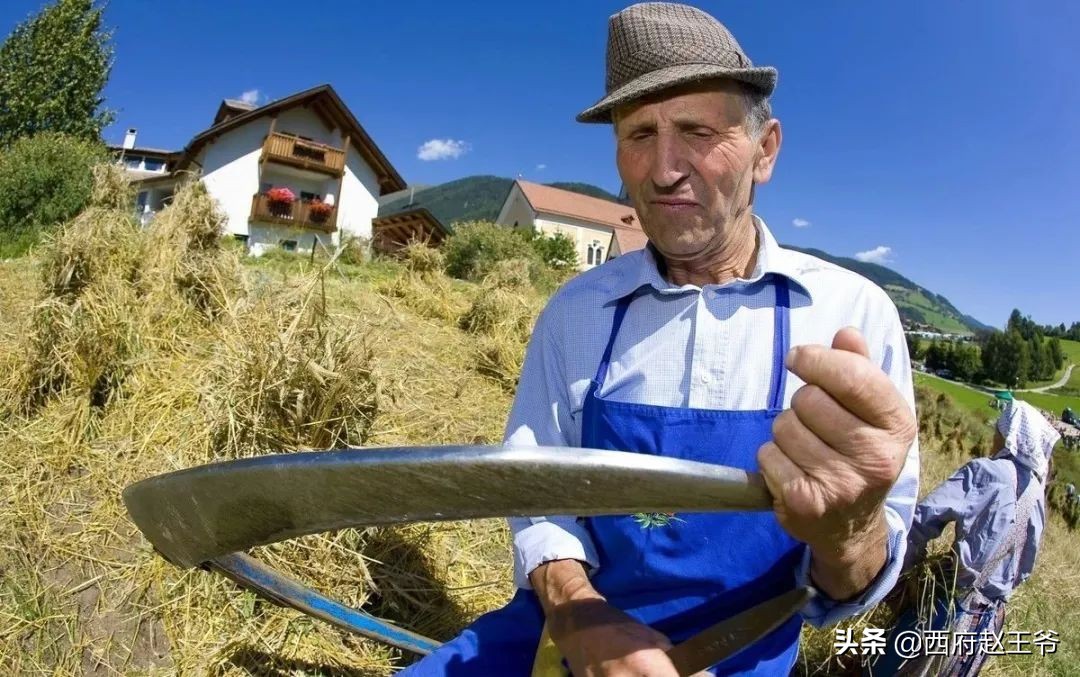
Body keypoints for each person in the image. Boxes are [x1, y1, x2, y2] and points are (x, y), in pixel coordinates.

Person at [402, 3, 920, 675]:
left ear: (765, 151)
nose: (662, 168)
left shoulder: (851, 317)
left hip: (744, 654)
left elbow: (853, 585)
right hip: (558, 635)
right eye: (639, 133)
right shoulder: (576, 313)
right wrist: (577, 609)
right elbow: (536, 494)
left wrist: (848, 532)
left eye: (696, 130)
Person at [873, 400, 1060, 676]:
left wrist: (905, 576)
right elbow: (1024, 569)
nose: (992, 438)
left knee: (889, 668)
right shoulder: (1037, 497)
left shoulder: (988, 472)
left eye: (997, 430)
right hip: (987, 622)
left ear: (1008, 437)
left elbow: (924, 519)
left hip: (949, 607)